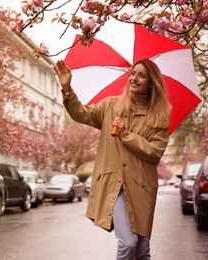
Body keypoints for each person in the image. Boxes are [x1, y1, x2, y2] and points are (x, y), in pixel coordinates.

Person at [55, 58, 171, 260]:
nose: (134, 78)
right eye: (133, 73)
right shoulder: (111, 106)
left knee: (142, 250)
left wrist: (126, 135)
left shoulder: (159, 117)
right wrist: (67, 89)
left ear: (151, 82)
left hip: (142, 187)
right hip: (114, 185)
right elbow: (82, 114)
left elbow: (154, 153)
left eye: (141, 75)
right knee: (128, 242)